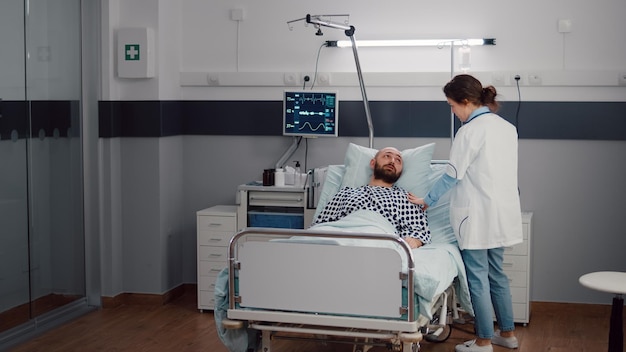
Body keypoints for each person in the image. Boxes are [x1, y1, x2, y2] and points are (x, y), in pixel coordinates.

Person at [408, 74, 523, 352]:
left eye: (452, 105)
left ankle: (483, 341)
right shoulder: (507, 127)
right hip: (502, 212)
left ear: (466, 101)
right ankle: (507, 335)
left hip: (477, 216)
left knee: (478, 278)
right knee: (497, 274)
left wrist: (426, 201)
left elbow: (452, 175)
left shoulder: (469, 131)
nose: (452, 112)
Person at [314, 147, 430, 248]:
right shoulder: (346, 192)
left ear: (400, 171)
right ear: (373, 163)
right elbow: (321, 224)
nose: (392, 161)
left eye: (398, 160)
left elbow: (419, 231)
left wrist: (414, 241)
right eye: (387, 156)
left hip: (375, 235)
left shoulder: (406, 198)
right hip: (338, 233)